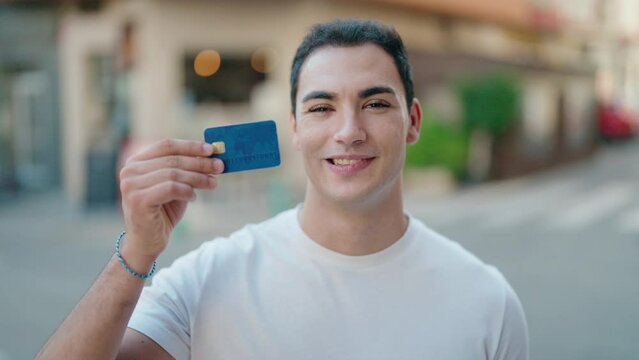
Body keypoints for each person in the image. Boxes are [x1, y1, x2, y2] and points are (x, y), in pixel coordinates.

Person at [36, 19, 529, 359]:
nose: (349, 130)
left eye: (376, 104)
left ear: (413, 121)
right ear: (294, 128)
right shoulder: (207, 281)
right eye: (321, 108)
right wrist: (138, 252)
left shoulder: (486, 301)